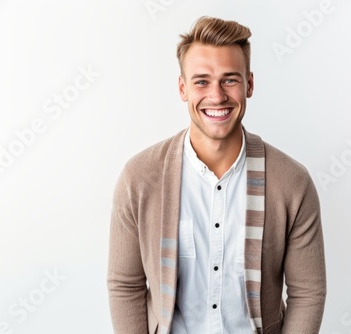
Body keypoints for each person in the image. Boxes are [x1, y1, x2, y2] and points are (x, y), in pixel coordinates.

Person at [107, 16, 326, 334]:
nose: (217, 95)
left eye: (229, 79)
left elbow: (309, 293)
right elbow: (125, 285)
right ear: (183, 88)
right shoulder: (139, 178)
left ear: (249, 84)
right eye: (201, 81)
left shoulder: (292, 182)